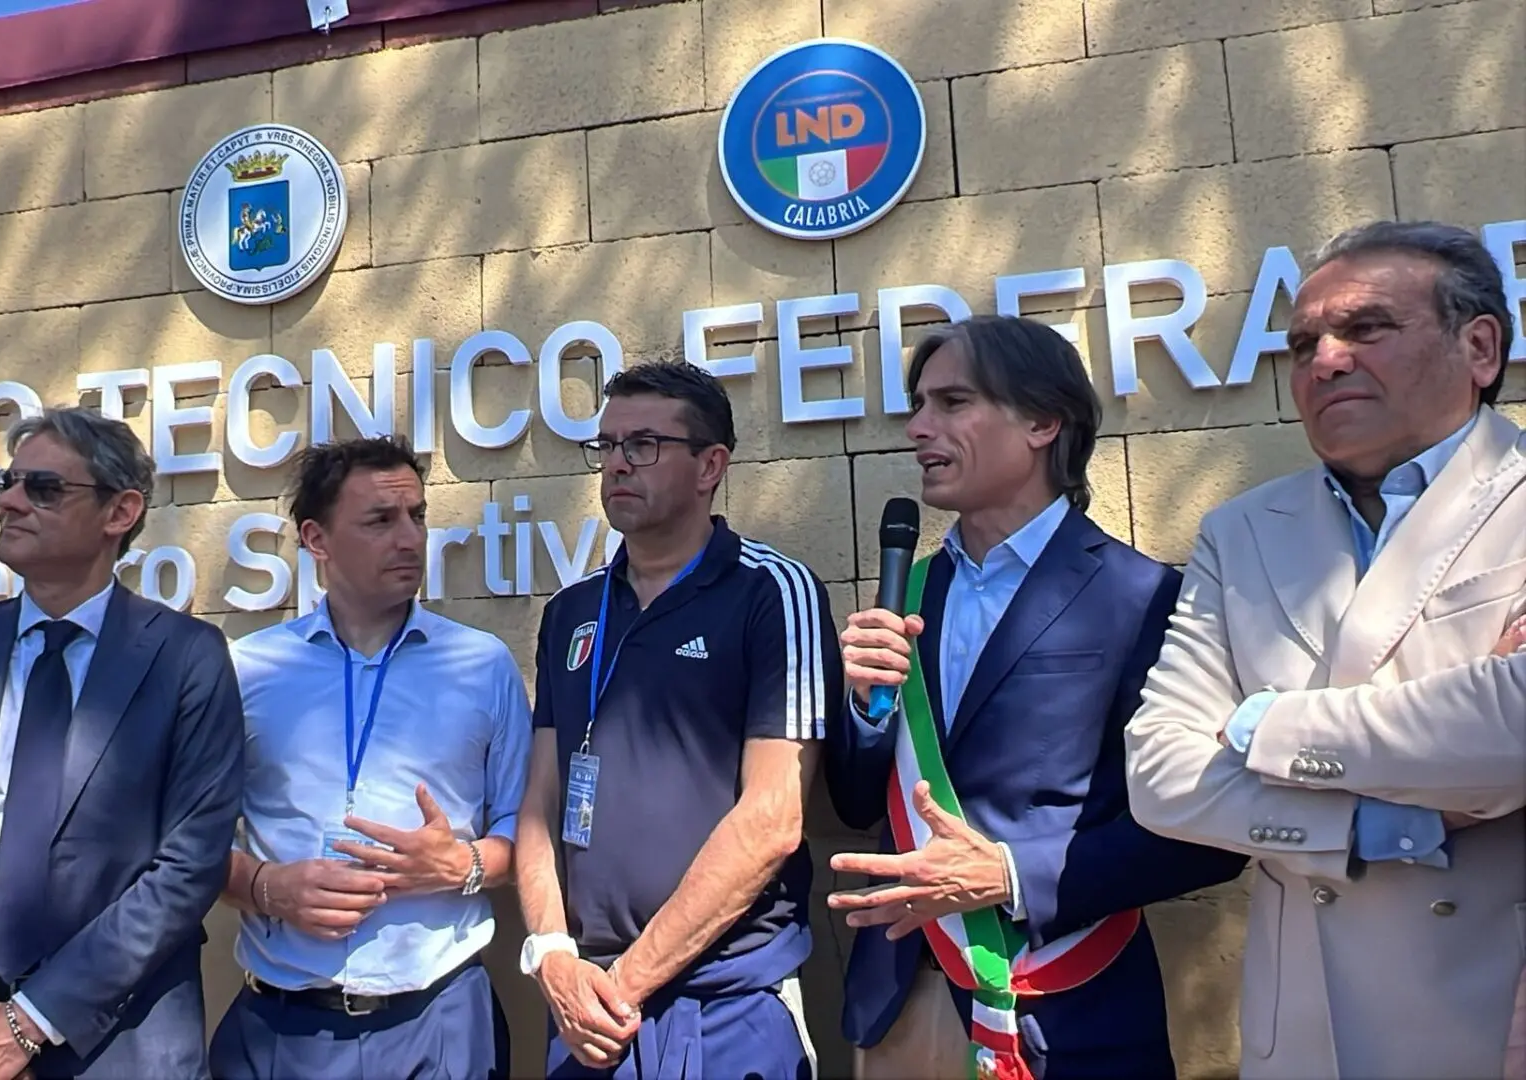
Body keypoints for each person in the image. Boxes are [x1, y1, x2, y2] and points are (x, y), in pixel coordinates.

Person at [1124, 220, 1526, 1080]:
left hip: (1490, 1007)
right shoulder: (1239, 531)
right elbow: (1161, 775)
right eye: (1304, 342)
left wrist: (1260, 726)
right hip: (1304, 1027)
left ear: (1480, 347)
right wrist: (1389, 822)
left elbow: (1512, 733)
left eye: (1366, 329)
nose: (1325, 360)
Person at [826, 316, 1249, 1080]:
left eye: (952, 402)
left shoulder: (1142, 598)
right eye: (919, 405)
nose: (919, 427)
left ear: (1043, 422)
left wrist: (1012, 876)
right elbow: (859, 804)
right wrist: (862, 708)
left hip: (1068, 1007)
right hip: (899, 998)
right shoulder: (910, 597)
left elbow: (1208, 831)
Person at [0, 406, 245, 1079]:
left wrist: (26, 1024)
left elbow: (186, 868)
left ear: (120, 512)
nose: (10, 502)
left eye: (44, 488)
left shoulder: (186, 659)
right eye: (8, 482)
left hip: (115, 1042)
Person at [514, 360, 838, 1080]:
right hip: (584, 1006)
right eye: (606, 446)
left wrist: (623, 986)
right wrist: (552, 955)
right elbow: (537, 805)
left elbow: (773, 819)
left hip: (723, 1006)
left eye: (644, 445)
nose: (618, 465)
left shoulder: (772, 593)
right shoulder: (572, 611)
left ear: (710, 466)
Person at [212, 434, 530, 1079]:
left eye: (417, 516)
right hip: (283, 1029)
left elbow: (531, 835)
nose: (410, 538)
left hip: (441, 1020)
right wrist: (267, 888)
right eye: (380, 521)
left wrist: (460, 864)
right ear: (316, 539)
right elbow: (186, 844)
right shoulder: (247, 670)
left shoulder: (483, 664)